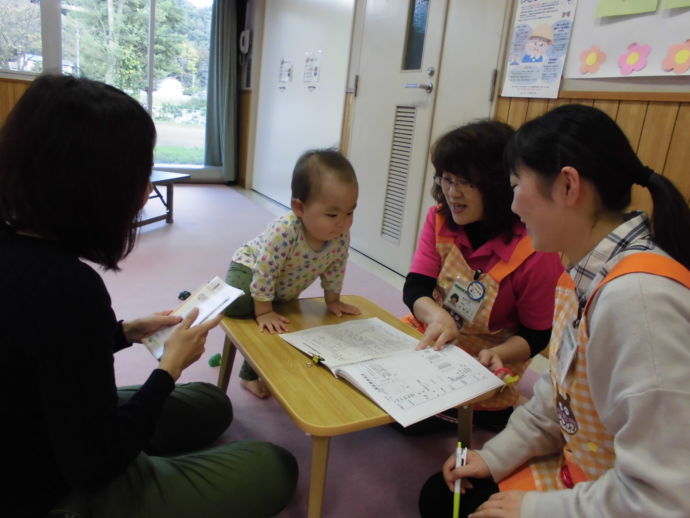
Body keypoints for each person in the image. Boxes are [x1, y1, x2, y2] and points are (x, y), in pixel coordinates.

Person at [1, 75, 297, 518]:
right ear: (89, 185)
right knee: (275, 467)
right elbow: (94, 465)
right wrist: (169, 370)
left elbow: (36, 351)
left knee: (212, 404)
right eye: (139, 175)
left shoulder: (21, 252)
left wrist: (122, 332)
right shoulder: (65, 286)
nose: (144, 192)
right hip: (55, 488)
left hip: (37, 427)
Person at [420, 104, 690, 517]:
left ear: (567, 186)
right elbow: (557, 398)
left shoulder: (639, 300)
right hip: (585, 468)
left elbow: (661, 496)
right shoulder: (581, 273)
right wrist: (494, 456)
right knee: (445, 494)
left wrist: (534, 508)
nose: (512, 206)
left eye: (514, 186)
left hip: (623, 497)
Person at [402, 120, 563, 432]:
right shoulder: (439, 219)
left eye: (466, 182)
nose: (452, 192)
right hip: (435, 339)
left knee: (426, 418)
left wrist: (498, 353)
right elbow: (416, 285)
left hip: (487, 360)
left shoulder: (536, 249)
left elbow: (536, 334)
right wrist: (436, 316)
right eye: (447, 179)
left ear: (499, 184)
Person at [224, 149, 361, 398]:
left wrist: (333, 300)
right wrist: (264, 309)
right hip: (250, 267)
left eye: (350, 212)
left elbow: (336, 266)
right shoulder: (285, 230)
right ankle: (215, 298)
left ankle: (249, 374)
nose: (343, 222)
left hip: (284, 288)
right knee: (243, 306)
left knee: (283, 325)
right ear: (299, 207)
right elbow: (265, 270)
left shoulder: (339, 236)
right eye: (332, 214)